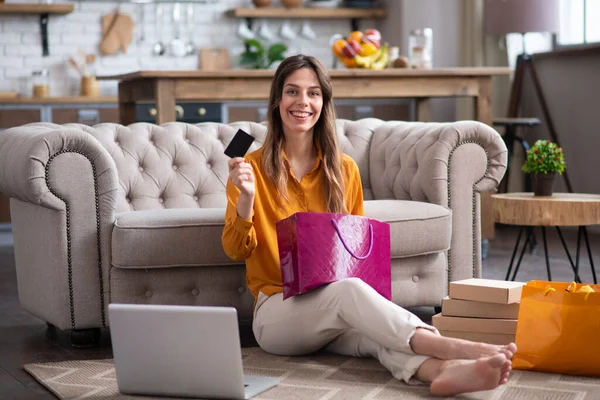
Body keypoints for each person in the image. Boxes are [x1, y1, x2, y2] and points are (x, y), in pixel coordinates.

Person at [222, 54, 515, 397]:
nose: (303, 102)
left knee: (377, 335)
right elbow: (234, 249)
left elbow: (354, 253)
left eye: (313, 93)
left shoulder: (344, 169)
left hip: (334, 307)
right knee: (350, 295)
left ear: (324, 102)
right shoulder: (248, 170)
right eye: (292, 92)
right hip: (277, 314)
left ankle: (442, 372)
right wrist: (245, 199)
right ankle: (451, 347)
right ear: (277, 101)